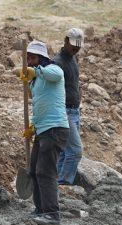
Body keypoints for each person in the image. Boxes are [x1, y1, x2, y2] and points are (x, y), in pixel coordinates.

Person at [18, 40, 69, 225]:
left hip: (55, 128)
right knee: (34, 170)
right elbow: (40, 106)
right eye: (27, 58)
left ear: (41, 58)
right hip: (43, 129)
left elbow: (56, 75)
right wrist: (32, 126)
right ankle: (40, 209)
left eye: (32, 58)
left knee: (45, 171)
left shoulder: (53, 70)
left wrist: (36, 70)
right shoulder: (36, 81)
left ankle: (52, 213)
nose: (29, 61)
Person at [54, 28, 84, 185]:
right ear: (66, 41)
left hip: (74, 110)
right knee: (75, 151)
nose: (76, 48)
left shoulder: (73, 59)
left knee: (65, 152)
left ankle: (56, 184)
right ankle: (64, 183)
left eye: (78, 46)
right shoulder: (57, 63)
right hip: (64, 111)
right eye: (73, 45)